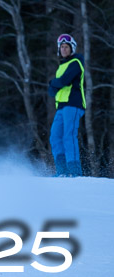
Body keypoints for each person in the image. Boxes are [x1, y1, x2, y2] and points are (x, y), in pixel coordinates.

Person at [48, 33, 86, 177]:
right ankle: (62, 171)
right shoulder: (62, 66)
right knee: (55, 137)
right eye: (62, 47)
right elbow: (52, 91)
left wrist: (53, 83)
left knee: (68, 136)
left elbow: (63, 81)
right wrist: (53, 84)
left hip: (73, 104)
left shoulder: (76, 62)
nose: (64, 49)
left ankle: (75, 172)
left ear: (72, 48)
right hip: (61, 107)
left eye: (66, 47)